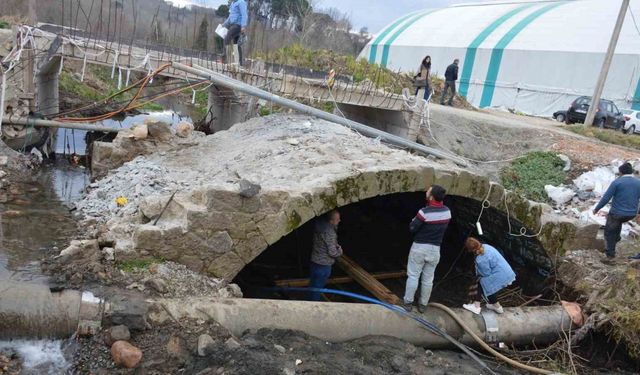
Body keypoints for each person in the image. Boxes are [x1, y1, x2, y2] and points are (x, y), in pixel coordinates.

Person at [402, 185, 451, 313]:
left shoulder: (424, 212)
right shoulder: (447, 212)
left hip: (420, 247)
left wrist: (415, 220)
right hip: (435, 249)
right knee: (428, 279)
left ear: (432, 196)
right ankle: (423, 305)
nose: (426, 192)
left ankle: (408, 303)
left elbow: (412, 228)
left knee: (413, 276)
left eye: (428, 191)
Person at [593, 162, 640, 260]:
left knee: (609, 232)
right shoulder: (638, 182)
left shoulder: (617, 182)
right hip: (631, 214)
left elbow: (606, 198)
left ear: (621, 173)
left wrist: (597, 208)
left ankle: (610, 255)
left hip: (617, 213)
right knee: (617, 223)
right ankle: (617, 237)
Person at [462, 237, 515, 315]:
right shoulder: (486, 246)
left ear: (471, 250)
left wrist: (478, 276)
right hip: (507, 272)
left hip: (501, 274)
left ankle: (476, 306)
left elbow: (486, 274)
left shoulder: (480, 259)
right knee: (488, 285)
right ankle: (497, 307)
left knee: (482, 282)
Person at [308, 210, 343, 301]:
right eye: (337, 219)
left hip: (315, 261)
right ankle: (313, 307)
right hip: (324, 265)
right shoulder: (329, 233)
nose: (339, 220)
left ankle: (308, 302)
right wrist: (340, 250)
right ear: (331, 221)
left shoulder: (319, 225)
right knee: (317, 289)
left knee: (312, 286)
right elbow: (332, 252)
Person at [223, 0, 248, 65]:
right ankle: (239, 62)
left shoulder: (241, 2)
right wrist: (224, 24)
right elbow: (230, 16)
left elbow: (244, 14)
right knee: (236, 44)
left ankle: (226, 59)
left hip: (238, 25)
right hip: (233, 24)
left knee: (227, 39)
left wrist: (243, 26)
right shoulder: (233, 3)